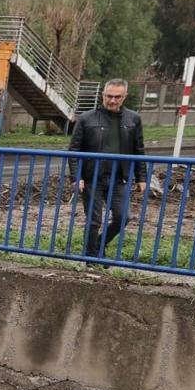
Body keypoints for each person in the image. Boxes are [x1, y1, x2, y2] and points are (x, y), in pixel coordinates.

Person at [68, 78, 146, 258]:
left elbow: (138, 149)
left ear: (124, 97)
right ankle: (91, 257)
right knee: (94, 221)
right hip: (92, 177)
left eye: (117, 97)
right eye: (109, 96)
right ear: (102, 95)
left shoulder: (133, 119)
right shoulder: (87, 118)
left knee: (123, 217)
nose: (112, 101)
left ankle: (99, 245)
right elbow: (74, 150)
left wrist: (141, 177)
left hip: (119, 178)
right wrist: (76, 176)